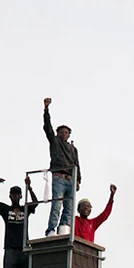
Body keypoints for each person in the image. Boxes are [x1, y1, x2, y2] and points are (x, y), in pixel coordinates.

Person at [43, 97, 81, 236]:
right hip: (59, 177)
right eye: (61, 132)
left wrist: (78, 180)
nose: (64, 134)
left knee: (69, 207)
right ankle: (51, 229)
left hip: (70, 178)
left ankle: (64, 227)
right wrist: (46, 109)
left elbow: (77, 164)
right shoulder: (55, 142)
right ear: (58, 134)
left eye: (66, 132)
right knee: (56, 205)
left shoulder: (73, 149)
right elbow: (47, 128)